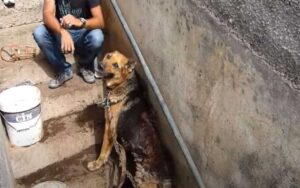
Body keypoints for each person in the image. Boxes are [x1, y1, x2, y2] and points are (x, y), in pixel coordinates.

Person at [33, 0, 105, 89]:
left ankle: (85, 66)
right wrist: (62, 31)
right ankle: (64, 70)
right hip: (61, 34)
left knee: (97, 36)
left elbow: (100, 22)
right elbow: (47, 14)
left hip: (83, 33)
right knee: (39, 33)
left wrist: (80, 22)